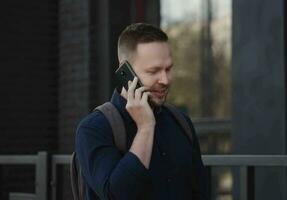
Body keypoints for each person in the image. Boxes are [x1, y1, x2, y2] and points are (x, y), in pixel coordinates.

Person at [75, 23, 208, 200]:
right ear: (126, 70)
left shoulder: (180, 122)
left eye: (168, 69)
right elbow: (115, 195)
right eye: (153, 71)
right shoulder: (93, 129)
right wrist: (145, 128)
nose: (165, 80)